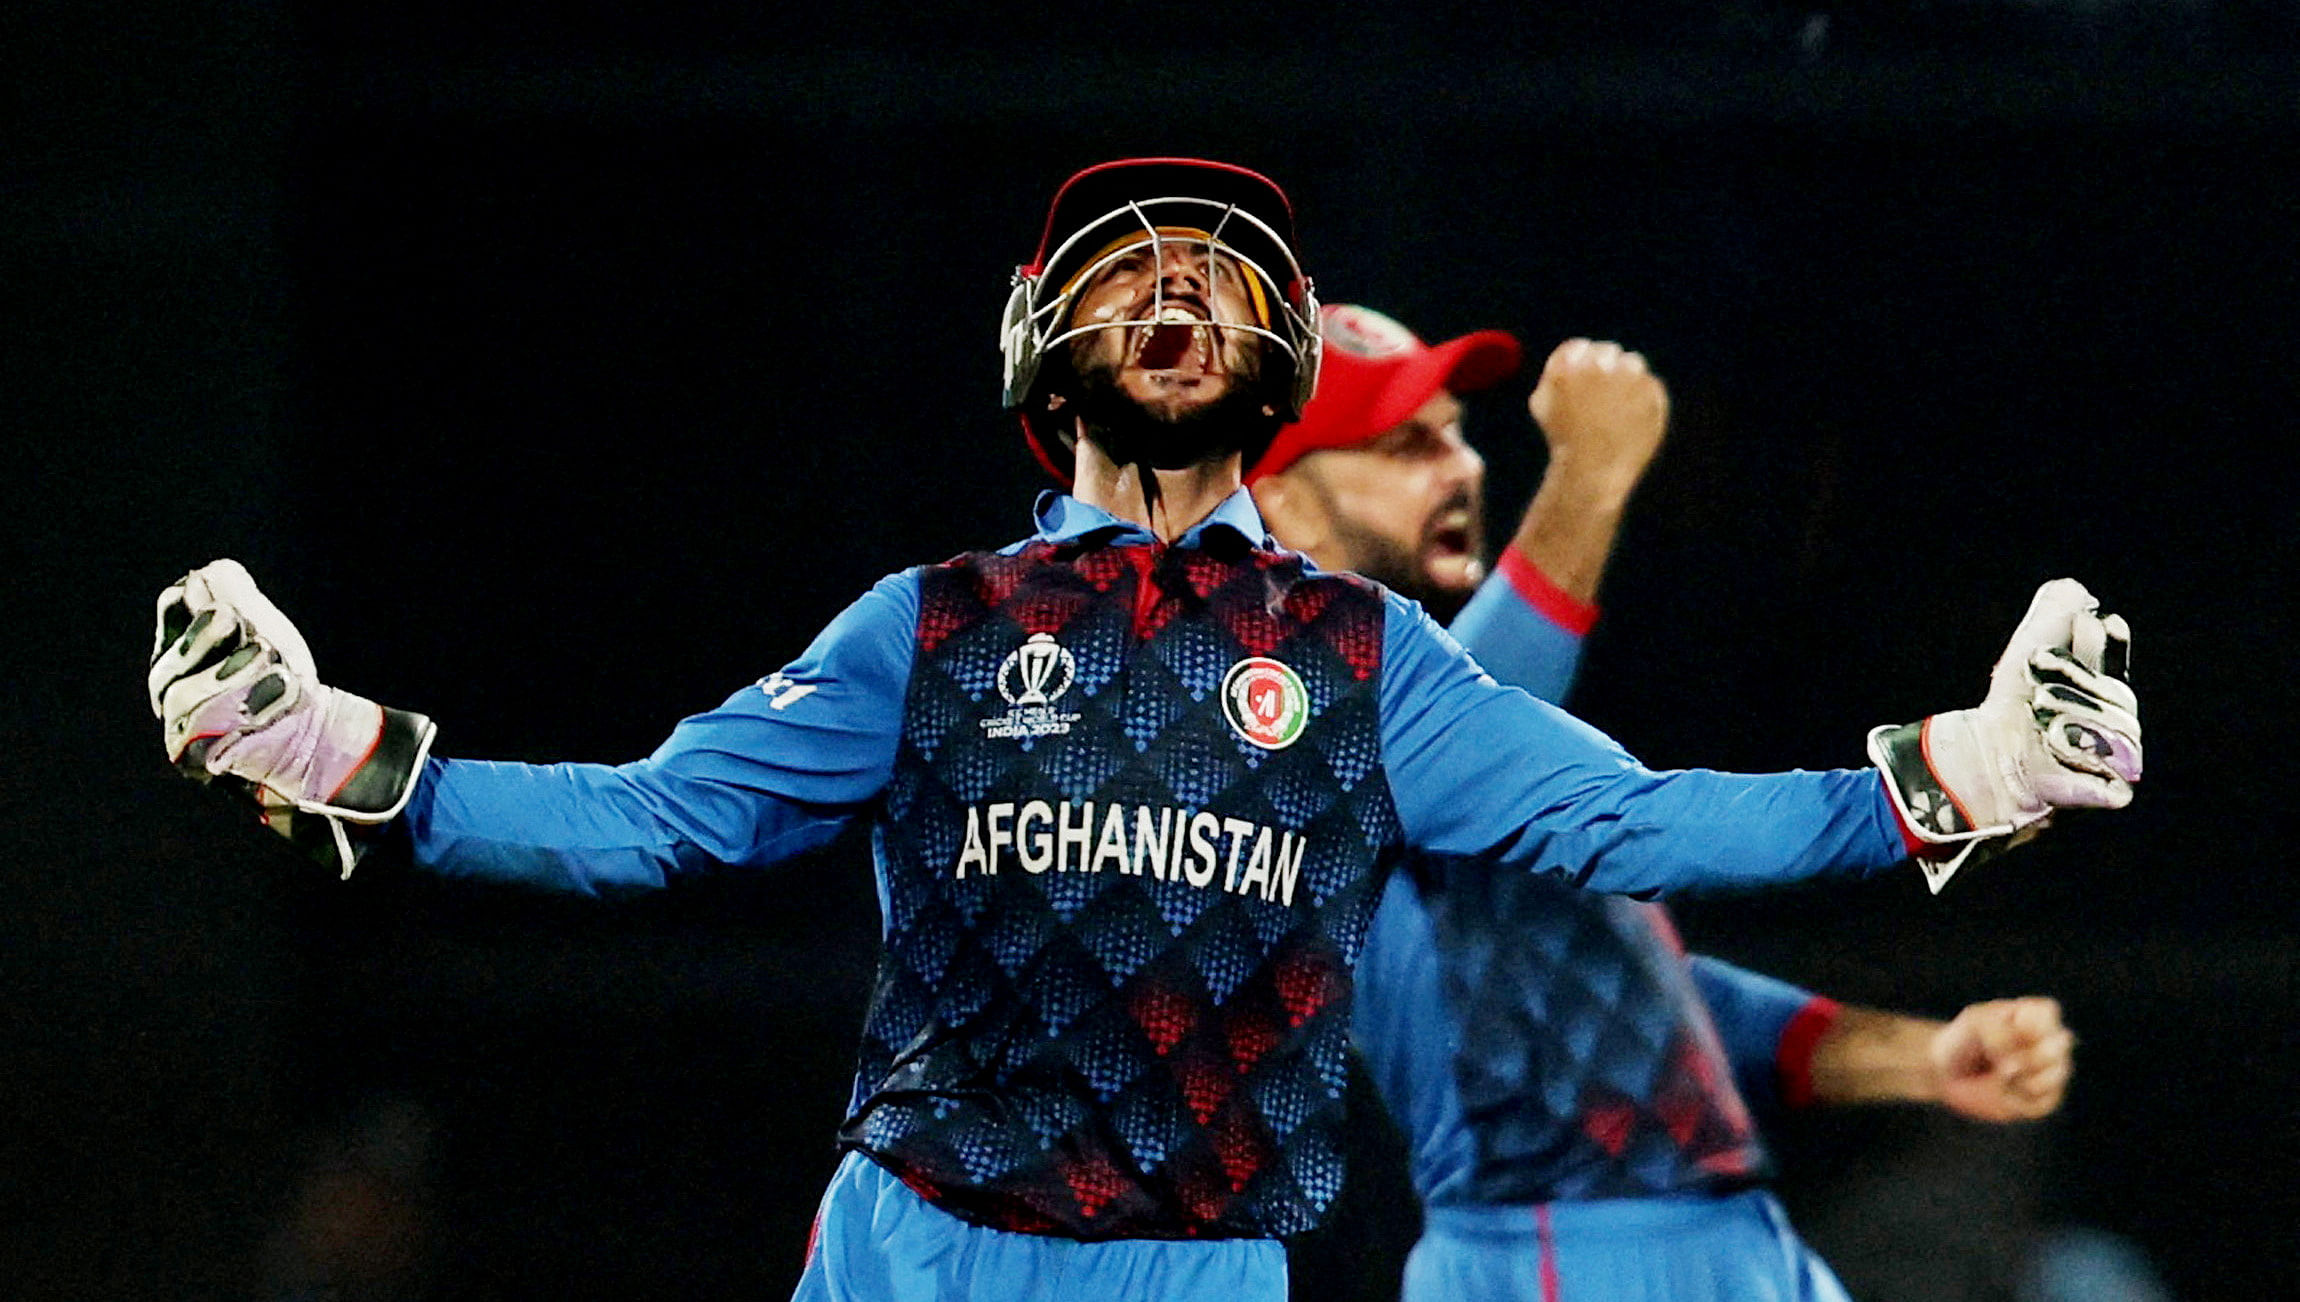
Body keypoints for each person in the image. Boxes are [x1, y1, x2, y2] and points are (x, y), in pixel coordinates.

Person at [144, 158, 2141, 1302]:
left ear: (1272, 360)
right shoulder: (925, 627)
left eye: (1215, 272)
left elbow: (1632, 828)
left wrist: (1970, 769)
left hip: (1183, 1277)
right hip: (906, 1251)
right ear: (1044, 348)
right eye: (1126, 275)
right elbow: (655, 823)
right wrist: (331, 750)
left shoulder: (1364, 661)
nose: (1175, 288)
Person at [1251, 303, 2084, 1301]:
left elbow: (1652, 997)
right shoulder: (1270, 719)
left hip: (1722, 1231)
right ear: (1286, 507)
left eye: (1455, 433)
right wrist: (1587, 480)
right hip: (1552, 1250)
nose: (1461, 467)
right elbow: (1514, 732)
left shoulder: (1474, 751)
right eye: (1403, 446)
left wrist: (1916, 1059)